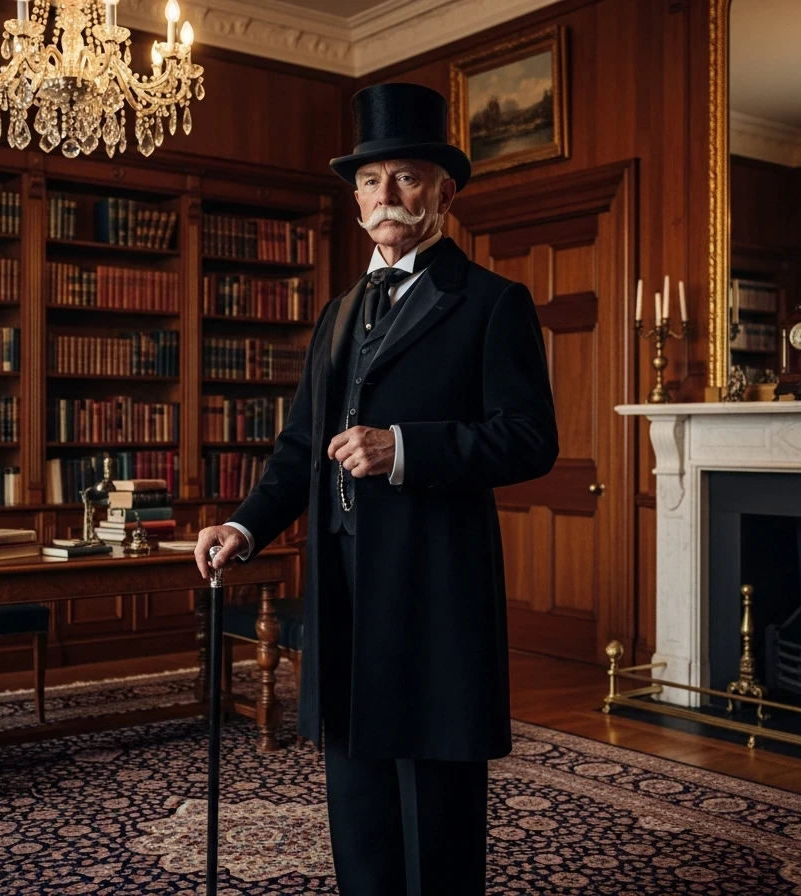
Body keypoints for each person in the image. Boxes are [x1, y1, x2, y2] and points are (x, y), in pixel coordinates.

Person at [194, 82, 558, 896]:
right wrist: (245, 529)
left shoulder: (494, 304)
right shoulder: (336, 313)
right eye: (369, 180)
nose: (385, 195)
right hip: (346, 590)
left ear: (443, 191)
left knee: (439, 806)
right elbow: (298, 451)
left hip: (437, 591)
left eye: (405, 176)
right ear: (355, 196)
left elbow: (531, 440)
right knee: (355, 802)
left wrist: (405, 449)